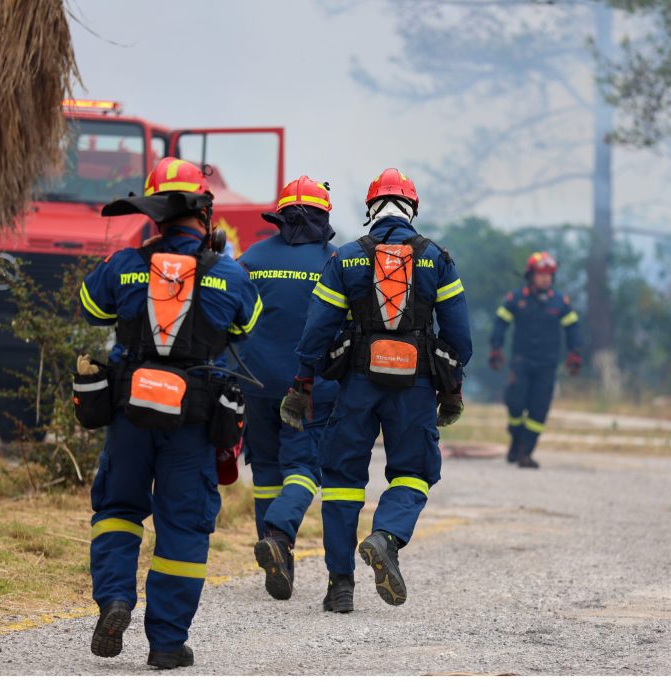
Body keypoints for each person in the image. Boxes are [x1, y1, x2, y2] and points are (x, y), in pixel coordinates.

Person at [78, 157, 261, 669]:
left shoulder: (123, 263)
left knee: (117, 510)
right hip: (194, 422)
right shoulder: (229, 273)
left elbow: (91, 306)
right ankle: (165, 643)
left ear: (155, 213)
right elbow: (246, 328)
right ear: (205, 214)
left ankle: (114, 598)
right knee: (182, 529)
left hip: (129, 413)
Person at [280, 168, 472, 613]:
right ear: (412, 209)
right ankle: (386, 536)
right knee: (414, 472)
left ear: (370, 210)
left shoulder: (345, 258)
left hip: (356, 387)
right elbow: (459, 337)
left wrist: (304, 380)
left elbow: (317, 330)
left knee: (343, 482)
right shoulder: (436, 259)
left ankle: (340, 585)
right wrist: (452, 387)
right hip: (417, 387)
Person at [237, 176, 339, 601]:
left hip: (254, 384)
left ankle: (278, 561)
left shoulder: (250, 258)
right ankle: (279, 536)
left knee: (265, 472)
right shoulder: (337, 261)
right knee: (304, 469)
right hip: (311, 388)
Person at [489, 252, 582, 469]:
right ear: (531, 275)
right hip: (521, 362)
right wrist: (496, 348)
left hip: (547, 365)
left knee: (538, 410)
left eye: (549, 275)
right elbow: (500, 323)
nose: (546, 279)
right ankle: (516, 439)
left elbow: (572, 327)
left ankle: (526, 453)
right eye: (541, 274)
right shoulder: (516, 299)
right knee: (515, 404)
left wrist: (574, 353)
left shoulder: (560, 302)